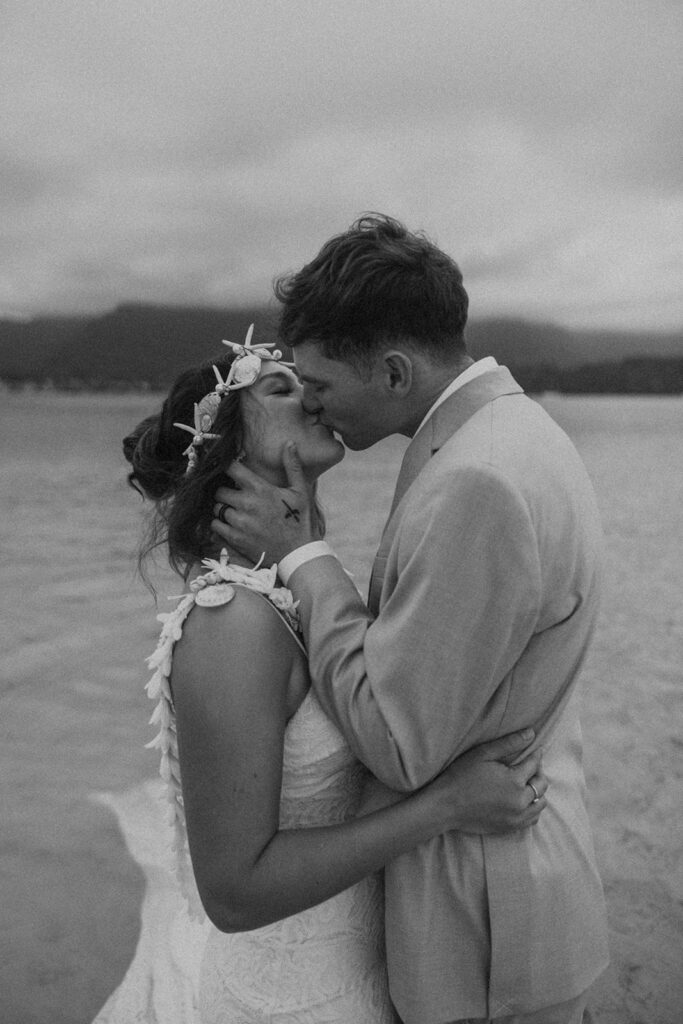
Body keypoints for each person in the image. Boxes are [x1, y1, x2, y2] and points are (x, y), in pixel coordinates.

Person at [212, 215, 610, 1024]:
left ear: (394, 371)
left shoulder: (477, 482)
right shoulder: (508, 434)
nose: (316, 409)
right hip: (509, 887)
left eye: (319, 387)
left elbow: (397, 740)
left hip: (484, 926)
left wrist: (304, 554)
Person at [98, 331, 548, 1024]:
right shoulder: (231, 623)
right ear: (229, 451)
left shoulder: (296, 593)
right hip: (289, 1001)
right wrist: (446, 807)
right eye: (278, 389)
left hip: (361, 972)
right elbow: (235, 892)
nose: (309, 393)